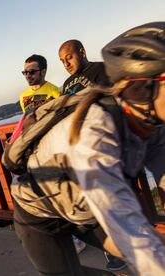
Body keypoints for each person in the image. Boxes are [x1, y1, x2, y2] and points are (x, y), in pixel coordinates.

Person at [10, 22, 165, 275]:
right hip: (40, 212)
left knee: (148, 244)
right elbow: (135, 241)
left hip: (84, 204)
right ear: (142, 87)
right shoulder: (94, 131)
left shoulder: (154, 126)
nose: (66, 63)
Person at [58, 39, 127, 270]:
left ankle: (132, 248)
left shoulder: (101, 69)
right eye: (62, 61)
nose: (65, 63)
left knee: (116, 200)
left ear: (82, 52)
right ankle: (112, 250)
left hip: (103, 146)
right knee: (92, 204)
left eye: (69, 57)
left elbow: (113, 100)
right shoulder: (67, 83)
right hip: (77, 151)